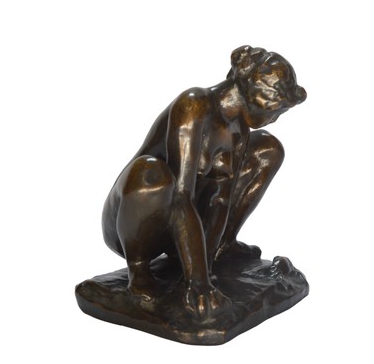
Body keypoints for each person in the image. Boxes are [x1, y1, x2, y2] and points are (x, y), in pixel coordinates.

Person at [101, 45, 307, 319]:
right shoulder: (194, 106)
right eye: (277, 112)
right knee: (153, 173)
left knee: (268, 149)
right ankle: (139, 274)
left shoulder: (238, 128)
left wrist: (205, 269)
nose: (274, 119)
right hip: (136, 222)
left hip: (183, 223)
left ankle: (220, 249)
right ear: (261, 99)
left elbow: (220, 198)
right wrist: (196, 282)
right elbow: (181, 195)